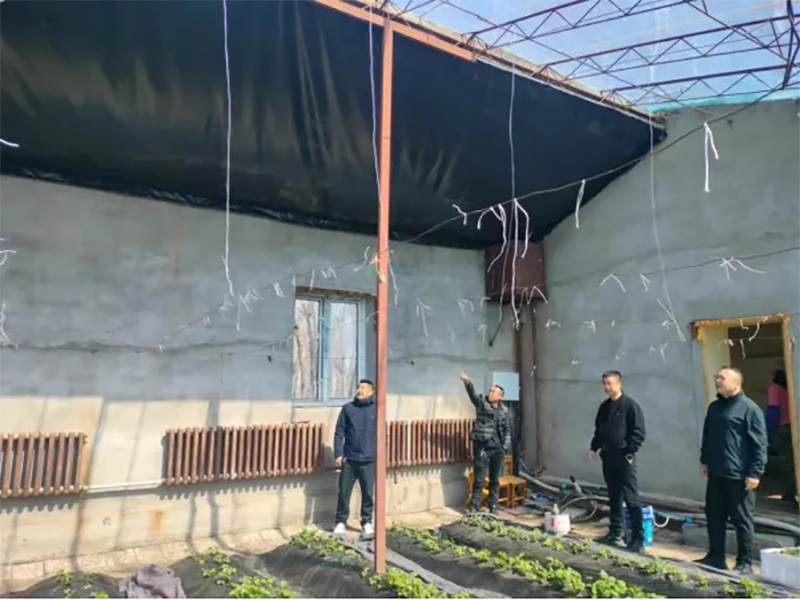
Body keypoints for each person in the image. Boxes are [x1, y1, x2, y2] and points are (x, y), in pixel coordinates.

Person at [697, 367, 767, 574]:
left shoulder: (749, 409)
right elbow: (708, 435)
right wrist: (705, 460)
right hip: (717, 472)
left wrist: (755, 472)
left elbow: (759, 444)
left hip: (739, 475)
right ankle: (716, 557)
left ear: (736, 383)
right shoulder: (715, 407)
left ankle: (745, 562)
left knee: (742, 519)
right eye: (716, 377)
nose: (717, 381)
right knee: (714, 515)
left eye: (722, 378)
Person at [587, 370, 647, 554]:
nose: (607, 387)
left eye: (610, 383)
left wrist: (629, 451)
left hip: (625, 459)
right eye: (604, 384)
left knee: (631, 498)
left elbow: (639, 432)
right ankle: (615, 532)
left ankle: (638, 539)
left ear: (619, 384)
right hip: (608, 458)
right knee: (614, 497)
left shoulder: (630, 406)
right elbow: (599, 430)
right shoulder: (604, 407)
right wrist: (594, 447)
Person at [460, 371, 510, 514]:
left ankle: (493, 506)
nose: (490, 392)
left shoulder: (504, 410)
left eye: (494, 391)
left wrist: (505, 447)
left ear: (500, 396)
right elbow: (473, 396)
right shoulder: (482, 404)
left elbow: (507, 429)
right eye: (490, 390)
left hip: (498, 449)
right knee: (479, 479)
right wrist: (468, 383)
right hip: (483, 447)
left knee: (495, 479)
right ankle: (475, 506)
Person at [333, 379, 376, 539]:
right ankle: (340, 522)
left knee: (368, 494)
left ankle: (366, 522)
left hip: (368, 459)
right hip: (350, 459)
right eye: (358, 387)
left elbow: (382, 433)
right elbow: (339, 432)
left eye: (363, 388)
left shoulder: (376, 409)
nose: (359, 390)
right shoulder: (348, 409)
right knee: (344, 492)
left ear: (370, 392)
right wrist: (338, 453)